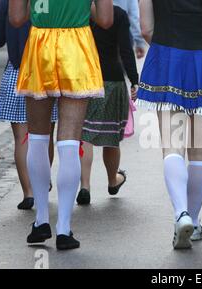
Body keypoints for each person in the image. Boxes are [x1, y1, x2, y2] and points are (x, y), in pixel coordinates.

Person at [10, 0, 113, 251]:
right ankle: (64, 228)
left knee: (37, 137)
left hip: (40, 45)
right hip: (77, 45)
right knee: (69, 139)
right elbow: (106, 19)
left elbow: (16, 18)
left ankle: (41, 219)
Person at [138, 0, 202, 249]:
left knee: (172, 146)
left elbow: (146, 28)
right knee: (199, 150)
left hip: (167, 53)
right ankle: (193, 222)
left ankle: (180, 213)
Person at [0, 0, 58, 210]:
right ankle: (42, 184)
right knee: (45, 134)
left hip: (16, 72)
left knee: (22, 138)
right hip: (45, 72)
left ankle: (29, 192)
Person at [76, 5, 139, 205]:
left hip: (84, 77)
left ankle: (85, 185)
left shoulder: (79, 11)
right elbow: (125, 49)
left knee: (84, 134)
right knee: (111, 137)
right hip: (112, 78)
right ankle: (113, 180)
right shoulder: (118, 14)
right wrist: (134, 80)